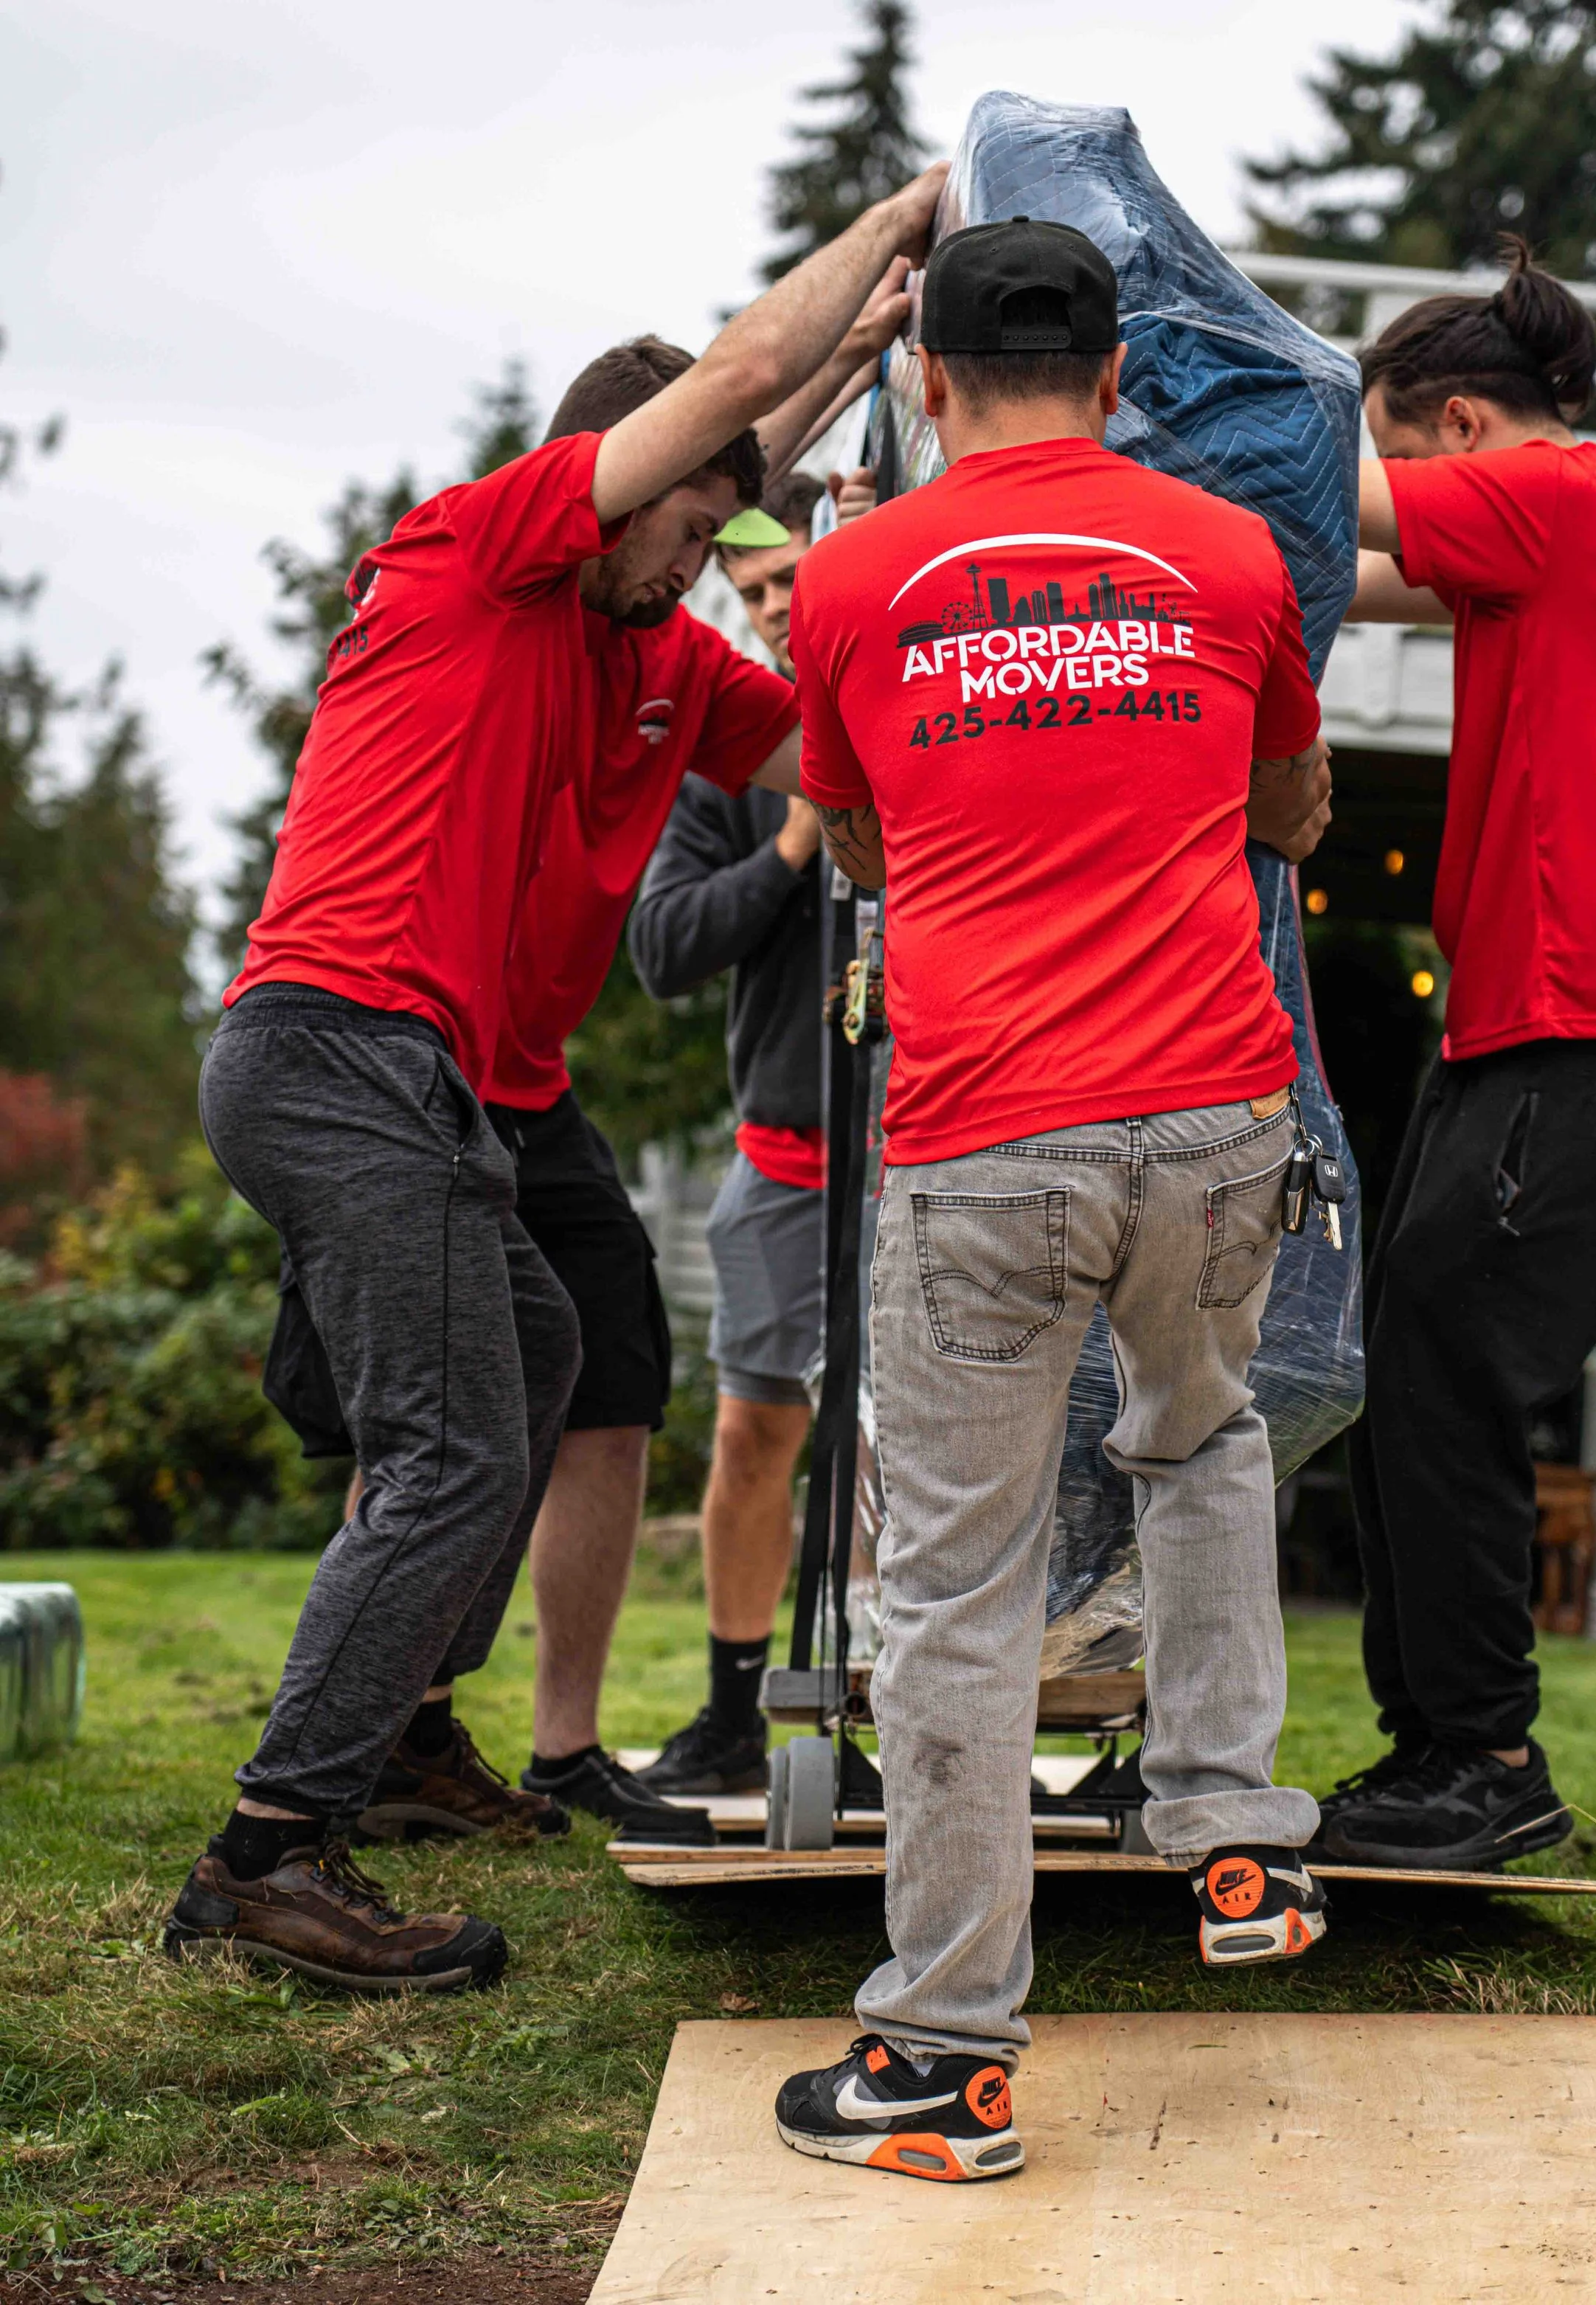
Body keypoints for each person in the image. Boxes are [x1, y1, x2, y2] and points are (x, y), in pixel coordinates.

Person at [162, 162, 946, 1995]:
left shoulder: (649, 645)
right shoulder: (485, 542)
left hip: (422, 1077)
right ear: (608, 475)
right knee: (447, 1448)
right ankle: (271, 1853)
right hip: (333, 1047)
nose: (691, 564)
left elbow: (836, 761)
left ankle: (394, 1740)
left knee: (533, 1356)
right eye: (675, 523)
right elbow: (743, 367)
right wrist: (894, 229)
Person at [769, 216, 1334, 2183]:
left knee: (948, 1587)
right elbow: (1285, 808)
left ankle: (940, 2059)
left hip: (984, 1133)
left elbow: (848, 835)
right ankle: (1234, 1833)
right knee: (1200, 1440)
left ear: (926, 377)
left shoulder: (844, 581)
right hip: (1207, 1113)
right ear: (1115, 375)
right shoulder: (1236, 556)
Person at [1315, 240, 1596, 1874]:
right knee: (1407, 1366)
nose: (1410, 497)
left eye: (1412, 459)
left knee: (1447, 1377)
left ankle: (1480, 1754)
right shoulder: (1595, 519)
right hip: (1536, 1031)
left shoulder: (1547, 501)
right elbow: (1325, 568)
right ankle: (1436, 1745)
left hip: (1587, 1028)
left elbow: (1324, 502)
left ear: (1464, 427)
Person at [627, 469, 833, 1798]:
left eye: (789, 581)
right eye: (748, 590)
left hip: (936, 1156)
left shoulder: (942, 709)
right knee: (754, 1437)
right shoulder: (729, 762)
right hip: (785, 1162)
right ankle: (730, 1713)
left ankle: (908, 1718)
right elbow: (660, 946)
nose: (767, 609)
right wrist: (797, 841)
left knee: (918, 1458)